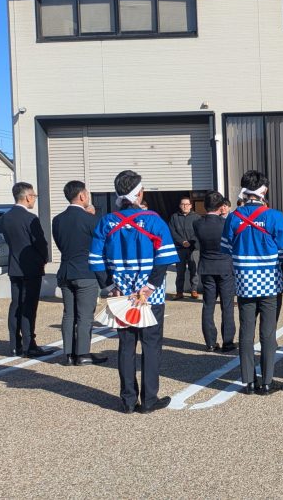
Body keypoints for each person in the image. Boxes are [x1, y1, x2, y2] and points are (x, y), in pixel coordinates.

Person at [89, 170, 178, 414]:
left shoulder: (107, 221)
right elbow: (164, 258)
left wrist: (109, 286)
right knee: (151, 345)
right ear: (139, 193)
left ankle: (128, 400)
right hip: (150, 296)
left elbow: (95, 260)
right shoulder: (153, 220)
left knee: (126, 345)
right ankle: (149, 400)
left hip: (120, 294)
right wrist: (150, 286)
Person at [221, 171, 283, 396]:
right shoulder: (274, 216)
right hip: (270, 283)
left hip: (244, 282)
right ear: (264, 190)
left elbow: (226, 248)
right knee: (268, 333)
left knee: (246, 332)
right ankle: (267, 382)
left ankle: (247, 381)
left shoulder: (233, 217)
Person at [52, 180, 107, 366]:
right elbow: (100, 245)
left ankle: (68, 354)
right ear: (82, 195)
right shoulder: (92, 220)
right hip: (85, 272)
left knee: (69, 314)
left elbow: (60, 244)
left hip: (66, 271)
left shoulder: (57, 220)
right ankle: (83, 353)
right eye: (87, 194)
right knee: (85, 315)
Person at [0, 182, 50, 358]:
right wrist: (44, 258)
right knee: (29, 306)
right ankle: (29, 345)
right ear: (28, 197)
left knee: (16, 305)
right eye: (34, 196)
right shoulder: (30, 218)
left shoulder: (5, 218)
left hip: (14, 267)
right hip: (31, 267)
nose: (34, 199)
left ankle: (15, 345)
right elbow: (40, 243)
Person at [194, 191, 236, 354]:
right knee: (227, 306)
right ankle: (228, 342)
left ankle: (210, 343)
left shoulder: (197, 223)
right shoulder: (226, 223)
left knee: (208, 305)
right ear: (220, 206)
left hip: (206, 266)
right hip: (225, 266)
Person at [169, 196, 200, 300]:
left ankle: (194, 290)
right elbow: (172, 232)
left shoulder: (197, 217)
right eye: (183, 204)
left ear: (191, 206)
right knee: (180, 271)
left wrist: (190, 242)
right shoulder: (174, 217)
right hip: (180, 248)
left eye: (187, 204)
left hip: (193, 248)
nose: (185, 206)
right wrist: (182, 242)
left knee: (194, 270)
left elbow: (198, 232)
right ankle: (179, 292)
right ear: (180, 206)